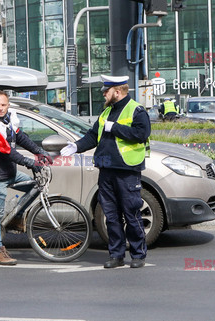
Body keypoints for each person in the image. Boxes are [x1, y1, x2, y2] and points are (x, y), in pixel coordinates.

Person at [60, 75, 151, 268]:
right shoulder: (106, 112)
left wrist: (115, 128)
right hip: (106, 170)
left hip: (127, 171)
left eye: (106, 91)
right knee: (111, 216)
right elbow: (93, 136)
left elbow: (141, 135)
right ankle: (116, 255)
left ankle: (138, 255)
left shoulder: (136, 110)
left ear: (117, 91)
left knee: (131, 214)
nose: (103, 94)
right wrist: (76, 146)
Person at [0, 90, 53, 265]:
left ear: (8, 105)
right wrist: (30, 162)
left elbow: (20, 137)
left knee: (35, 186)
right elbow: (5, 149)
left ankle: (15, 218)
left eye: (3, 105)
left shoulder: (7, 120)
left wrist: (39, 151)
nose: (0, 108)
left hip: (10, 172)